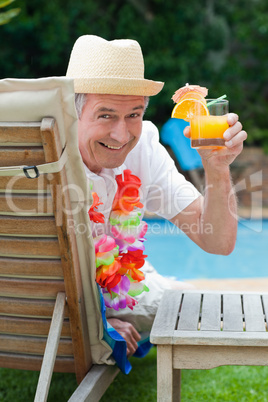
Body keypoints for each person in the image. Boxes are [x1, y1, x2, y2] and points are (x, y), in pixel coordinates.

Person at [66, 34, 247, 356]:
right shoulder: (40, 156)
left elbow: (218, 242)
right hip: (60, 301)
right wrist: (95, 324)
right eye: (106, 115)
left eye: (133, 114)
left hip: (121, 284)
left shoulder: (144, 148)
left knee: (199, 308)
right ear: (72, 113)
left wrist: (217, 168)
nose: (122, 135)